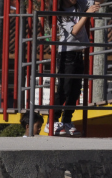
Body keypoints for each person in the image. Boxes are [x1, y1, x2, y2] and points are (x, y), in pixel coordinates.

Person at [45, 0, 100, 136]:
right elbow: (74, 30)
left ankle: (67, 120)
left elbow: (96, 1)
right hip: (66, 54)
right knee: (64, 88)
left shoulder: (80, 4)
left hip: (78, 53)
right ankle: (51, 120)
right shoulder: (61, 13)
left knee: (75, 90)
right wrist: (87, 14)